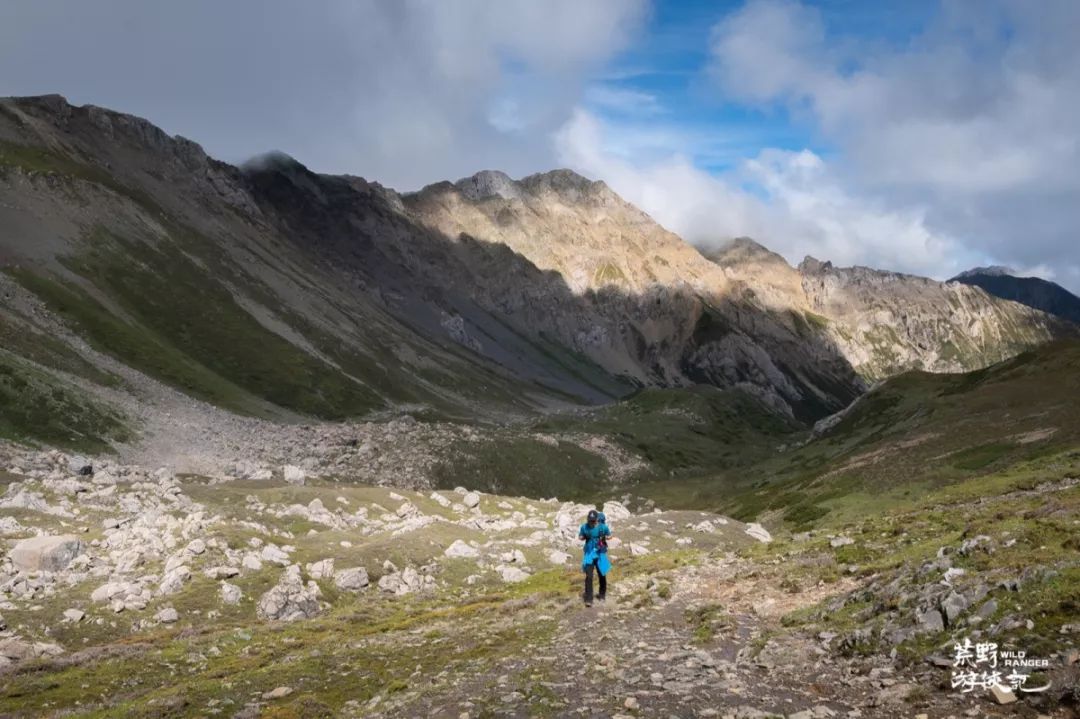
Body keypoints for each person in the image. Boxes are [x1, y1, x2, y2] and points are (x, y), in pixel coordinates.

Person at [579, 509, 611, 607]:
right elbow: (580, 537)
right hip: (589, 553)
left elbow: (609, 536)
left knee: (602, 573)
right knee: (589, 575)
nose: (592, 522)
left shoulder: (603, 527)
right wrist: (583, 537)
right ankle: (589, 599)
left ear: (597, 519)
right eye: (590, 520)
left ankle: (602, 595)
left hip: (600, 552)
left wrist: (604, 537)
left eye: (593, 521)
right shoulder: (584, 527)